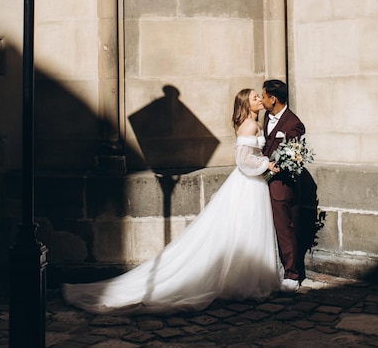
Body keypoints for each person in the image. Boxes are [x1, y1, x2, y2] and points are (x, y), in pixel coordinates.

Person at [63, 88, 283, 315]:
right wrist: (266, 165)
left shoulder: (252, 123)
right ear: (246, 104)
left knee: (245, 230)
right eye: (255, 97)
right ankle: (244, 281)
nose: (259, 100)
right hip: (248, 184)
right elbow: (242, 160)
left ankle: (246, 277)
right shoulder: (250, 125)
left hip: (251, 183)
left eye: (259, 96)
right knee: (245, 228)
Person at [261, 79, 306, 293]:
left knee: (284, 229)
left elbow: (295, 156)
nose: (261, 100)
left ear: (273, 98)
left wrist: (275, 166)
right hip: (260, 183)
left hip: (280, 186)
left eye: (263, 96)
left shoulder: (292, 123)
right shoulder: (265, 117)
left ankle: (292, 274)